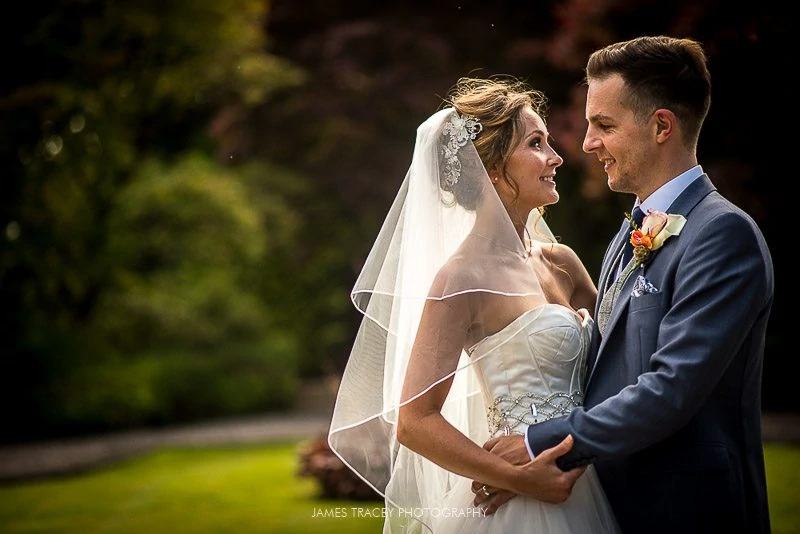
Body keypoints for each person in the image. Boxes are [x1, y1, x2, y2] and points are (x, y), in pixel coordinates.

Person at [474, 36, 775, 534]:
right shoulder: (630, 231)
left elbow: (669, 390)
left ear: (661, 126)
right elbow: (597, 373)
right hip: (608, 504)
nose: (588, 143)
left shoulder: (722, 234)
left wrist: (536, 444)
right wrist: (531, 473)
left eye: (604, 125)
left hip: (688, 512)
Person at [328, 76, 621, 533]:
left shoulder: (562, 262)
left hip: (593, 473)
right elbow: (414, 421)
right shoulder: (462, 280)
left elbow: (619, 363)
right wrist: (518, 478)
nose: (557, 156)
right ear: (493, 168)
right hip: (525, 505)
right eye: (537, 143)